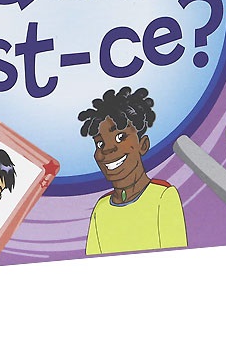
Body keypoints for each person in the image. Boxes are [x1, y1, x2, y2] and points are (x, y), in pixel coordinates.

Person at [78, 87, 187, 255]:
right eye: (100, 143)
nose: (107, 149)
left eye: (120, 137)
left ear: (143, 145)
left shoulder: (163, 197)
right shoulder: (101, 209)